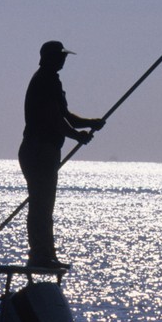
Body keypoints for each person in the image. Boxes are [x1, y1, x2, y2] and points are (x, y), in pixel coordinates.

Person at [19, 40, 105, 268]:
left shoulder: (52, 81)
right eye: (60, 56)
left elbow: (65, 116)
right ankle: (40, 254)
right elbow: (53, 119)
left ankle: (45, 253)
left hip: (45, 150)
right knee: (41, 205)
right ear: (48, 58)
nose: (63, 59)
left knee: (44, 205)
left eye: (64, 56)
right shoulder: (44, 81)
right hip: (38, 150)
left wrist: (90, 123)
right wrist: (78, 136)